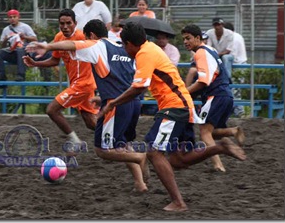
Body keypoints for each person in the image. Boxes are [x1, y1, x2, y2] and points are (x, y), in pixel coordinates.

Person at [99, 22, 246, 211]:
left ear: (129, 43)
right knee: (179, 159)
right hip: (183, 105)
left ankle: (178, 202)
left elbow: (139, 87)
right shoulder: (150, 48)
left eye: (123, 45)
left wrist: (113, 102)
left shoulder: (145, 53)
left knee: (153, 151)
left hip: (174, 106)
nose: (124, 49)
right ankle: (220, 147)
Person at [25, 19, 148, 192]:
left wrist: (47, 46)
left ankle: (139, 157)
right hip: (133, 101)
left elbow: (72, 45)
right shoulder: (122, 46)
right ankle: (140, 183)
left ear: (91, 35)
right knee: (121, 143)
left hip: (115, 104)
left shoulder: (97, 45)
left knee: (102, 150)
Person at [23, 9, 98, 145]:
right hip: (78, 84)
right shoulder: (59, 37)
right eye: (62, 23)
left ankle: (76, 142)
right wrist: (35, 63)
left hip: (83, 83)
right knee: (90, 122)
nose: (65, 26)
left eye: (68, 23)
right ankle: (115, 137)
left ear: (75, 23)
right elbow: (55, 61)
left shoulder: (82, 36)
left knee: (52, 110)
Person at [181, 24, 246, 172]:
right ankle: (233, 131)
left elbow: (203, 81)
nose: (185, 42)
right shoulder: (211, 50)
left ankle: (218, 164)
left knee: (204, 132)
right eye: (183, 39)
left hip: (215, 95)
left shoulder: (200, 53)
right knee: (213, 132)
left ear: (198, 38)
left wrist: (184, 93)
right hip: (225, 94)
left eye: (188, 38)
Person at [0, 9, 38, 81]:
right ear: (8, 19)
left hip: (25, 54)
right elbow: (2, 46)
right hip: (13, 52)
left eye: (14, 17)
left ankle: (21, 75)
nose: (12, 19)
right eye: (10, 17)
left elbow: (35, 39)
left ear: (18, 17)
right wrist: (5, 39)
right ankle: (1, 75)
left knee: (20, 49)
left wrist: (24, 37)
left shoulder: (25, 27)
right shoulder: (6, 30)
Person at [224, 22, 247, 118]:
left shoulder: (232, 38)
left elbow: (230, 55)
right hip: (242, 64)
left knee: (235, 90)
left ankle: (239, 112)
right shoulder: (238, 36)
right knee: (236, 90)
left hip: (237, 65)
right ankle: (237, 112)